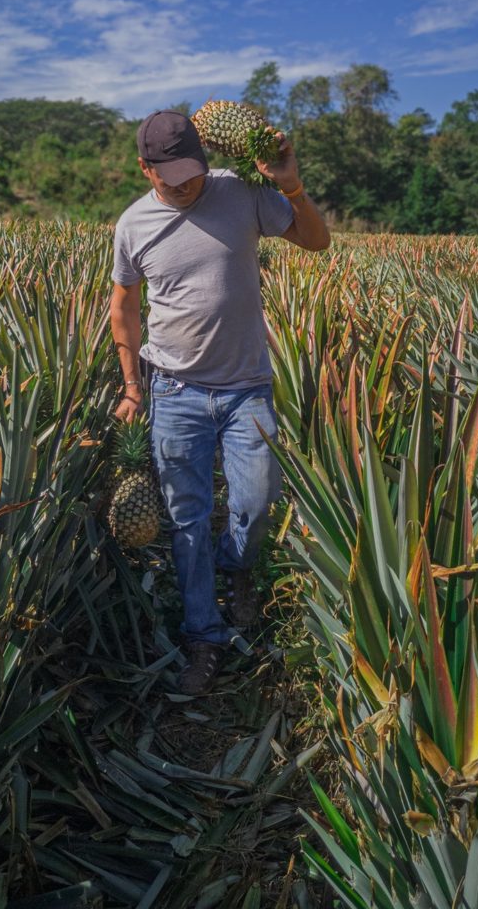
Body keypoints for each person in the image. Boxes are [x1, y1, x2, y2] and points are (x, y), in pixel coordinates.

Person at [110, 109, 329, 695]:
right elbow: (124, 308)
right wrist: (133, 388)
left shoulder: (241, 193)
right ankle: (203, 637)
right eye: (169, 177)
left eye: (193, 173)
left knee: (257, 502)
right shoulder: (133, 225)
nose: (184, 186)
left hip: (246, 387)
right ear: (144, 168)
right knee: (185, 520)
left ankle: (237, 568)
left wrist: (289, 181)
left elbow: (316, 241)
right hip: (175, 390)